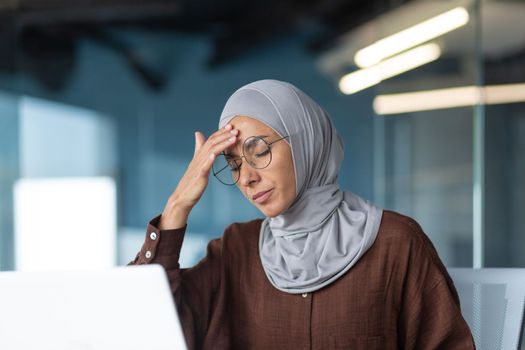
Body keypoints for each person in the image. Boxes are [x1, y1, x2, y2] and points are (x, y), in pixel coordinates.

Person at [129, 79, 475, 349]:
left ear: (305, 142)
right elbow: (142, 325)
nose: (247, 177)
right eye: (233, 164)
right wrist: (177, 207)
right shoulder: (237, 250)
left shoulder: (395, 243)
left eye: (259, 150)